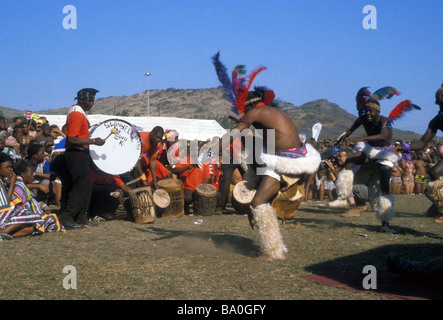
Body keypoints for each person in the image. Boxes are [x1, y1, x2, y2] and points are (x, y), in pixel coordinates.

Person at [207, 53, 320, 260]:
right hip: (294, 158)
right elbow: (262, 129)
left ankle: (274, 251)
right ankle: (270, 240)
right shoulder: (272, 112)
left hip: (283, 162)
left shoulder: (254, 113)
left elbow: (235, 133)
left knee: (258, 201)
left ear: (249, 105)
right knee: (256, 197)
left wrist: (212, 149)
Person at [333, 98, 400, 233]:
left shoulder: (384, 121)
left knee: (384, 183)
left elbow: (383, 136)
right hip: (369, 149)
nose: (368, 114)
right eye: (366, 111)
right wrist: (344, 136)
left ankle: (385, 222)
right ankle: (344, 197)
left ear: (378, 111)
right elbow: (352, 128)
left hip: (384, 152)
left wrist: (361, 138)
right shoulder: (362, 119)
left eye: (371, 111)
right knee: (348, 162)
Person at [56, 88, 105, 230]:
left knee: (86, 186)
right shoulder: (77, 113)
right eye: (89, 100)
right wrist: (93, 141)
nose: (91, 103)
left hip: (80, 153)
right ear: (80, 99)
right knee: (80, 186)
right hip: (76, 153)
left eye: (92, 101)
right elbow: (71, 138)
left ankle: (81, 217)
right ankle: (67, 216)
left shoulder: (79, 112)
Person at [396, 85, 443, 222]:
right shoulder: (436, 121)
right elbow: (422, 142)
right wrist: (405, 146)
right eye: (440, 105)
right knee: (435, 172)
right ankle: (440, 207)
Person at [12, 159, 65, 233]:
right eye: (31, 173)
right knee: (51, 219)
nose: (33, 175)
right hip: (23, 216)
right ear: (23, 174)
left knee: (51, 217)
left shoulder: (22, 186)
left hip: (28, 215)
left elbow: (30, 201)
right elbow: (20, 207)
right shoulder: (19, 187)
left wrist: (42, 206)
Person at [0, 153, 45, 239]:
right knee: (32, 216)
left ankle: (3, 236)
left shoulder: (4, 182)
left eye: (11, 167)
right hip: (2, 215)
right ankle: (3, 232)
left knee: (31, 228)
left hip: (5, 215)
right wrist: (13, 183)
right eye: (7, 167)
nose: (10, 170)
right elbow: (7, 204)